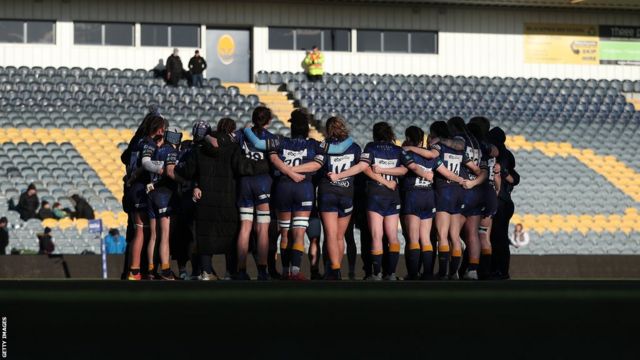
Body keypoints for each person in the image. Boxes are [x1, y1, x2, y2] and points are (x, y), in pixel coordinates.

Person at [179, 121, 271, 281]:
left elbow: (187, 171)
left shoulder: (199, 149)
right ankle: (231, 271)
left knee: (205, 235)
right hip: (229, 197)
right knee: (230, 236)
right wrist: (268, 164)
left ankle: (206, 271)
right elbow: (243, 167)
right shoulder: (232, 148)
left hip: (205, 198)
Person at [399, 126, 464, 280]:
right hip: (428, 197)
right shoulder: (432, 157)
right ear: (422, 140)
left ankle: (414, 274)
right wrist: (462, 180)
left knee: (413, 238)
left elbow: (408, 169)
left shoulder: (406, 152)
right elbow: (447, 173)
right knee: (426, 238)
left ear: (408, 138)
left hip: (413, 195)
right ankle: (428, 273)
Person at [232, 107, 279, 280]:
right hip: (263, 183)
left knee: (245, 228)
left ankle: (242, 270)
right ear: (268, 121)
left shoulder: (240, 134)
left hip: (244, 182)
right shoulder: (272, 138)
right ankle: (262, 270)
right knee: (263, 229)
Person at [124, 114, 167, 280]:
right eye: (161, 127)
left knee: (139, 230)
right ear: (156, 128)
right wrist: (164, 167)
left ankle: (134, 269)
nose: (163, 131)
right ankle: (136, 270)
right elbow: (146, 163)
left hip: (132, 188)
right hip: (141, 188)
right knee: (143, 232)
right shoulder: (148, 143)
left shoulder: (137, 141)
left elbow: (124, 158)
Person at [145, 128, 184, 280]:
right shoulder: (171, 152)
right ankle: (166, 270)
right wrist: (186, 181)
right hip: (164, 195)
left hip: (151, 194)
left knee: (153, 236)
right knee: (165, 236)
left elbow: (144, 167)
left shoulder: (153, 150)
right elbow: (170, 172)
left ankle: (150, 269)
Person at [488, 127, 520, 280]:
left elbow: (511, 177)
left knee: (495, 237)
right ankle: (501, 270)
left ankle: (496, 269)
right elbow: (515, 178)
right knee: (499, 238)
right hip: (505, 201)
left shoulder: (496, 153)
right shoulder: (508, 155)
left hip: (499, 201)